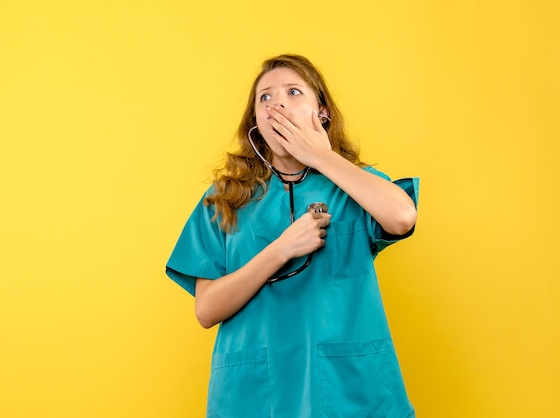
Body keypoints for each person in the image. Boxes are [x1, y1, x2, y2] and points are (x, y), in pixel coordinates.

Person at [166, 54, 418, 418]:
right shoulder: (225, 197)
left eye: (293, 92)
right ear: (255, 121)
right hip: (257, 392)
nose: (277, 103)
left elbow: (402, 216)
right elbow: (206, 310)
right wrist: (282, 249)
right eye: (265, 98)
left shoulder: (351, 185)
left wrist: (321, 156)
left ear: (322, 112)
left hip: (346, 387)